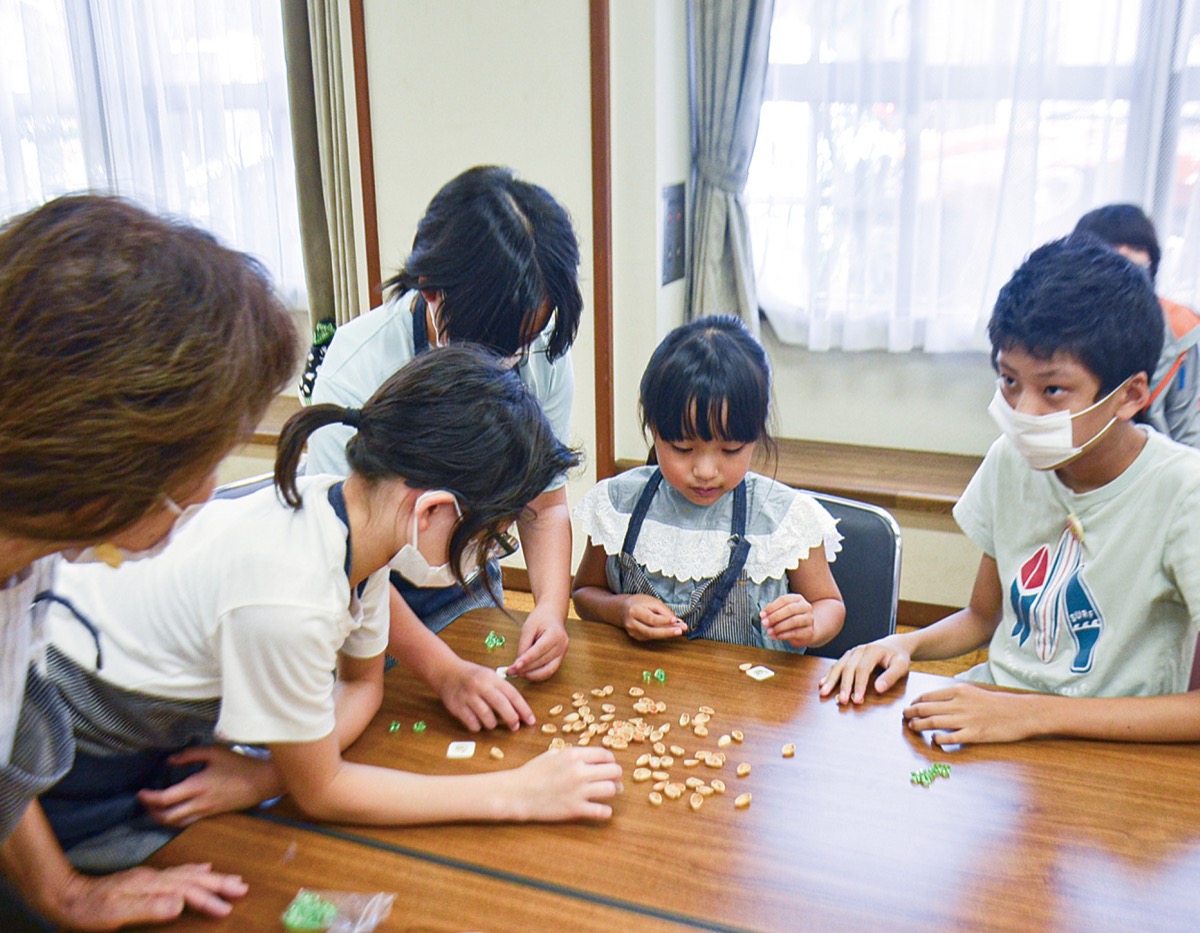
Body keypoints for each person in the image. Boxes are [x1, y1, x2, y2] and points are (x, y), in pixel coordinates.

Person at [35, 346, 622, 876]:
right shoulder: (288, 597)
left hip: (165, 728)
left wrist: (271, 774)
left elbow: (362, 686)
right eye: (496, 533)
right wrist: (517, 794)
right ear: (432, 513)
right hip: (74, 749)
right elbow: (324, 794)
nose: (497, 547)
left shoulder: (353, 518)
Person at [0, 195, 299, 928]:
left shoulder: (30, 550)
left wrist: (63, 891)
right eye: (209, 459)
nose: (210, 490)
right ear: (103, 466)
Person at [819, 236, 1200, 744]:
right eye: (1008, 380)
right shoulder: (1011, 460)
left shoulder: (1183, 493)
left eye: (1053, 390)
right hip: (997, 716)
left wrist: (1029, 714)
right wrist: (902, 645)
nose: (1023, 412)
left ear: (1130, 395)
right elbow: (982, 616)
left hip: (1112, 747)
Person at [308, 166, 583, 682]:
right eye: (497, 346)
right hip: (371, 599)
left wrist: (549, 605)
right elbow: (343, 559)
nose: (516, 360)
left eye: (528, 339)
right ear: (431, 292)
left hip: (470, 583)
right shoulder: (355, 372)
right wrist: (443, 673)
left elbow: (545, 503)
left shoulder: (538, 349)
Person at [572, 316, 845, 651]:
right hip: (644, 688)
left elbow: (830, 604)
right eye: (682, 449)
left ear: (755, 435)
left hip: (753, 697)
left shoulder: (785, 519)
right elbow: (584, 594)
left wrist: (811, 622)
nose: (704, 470)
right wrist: (621, 609)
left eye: (730, 450)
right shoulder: (620, 505)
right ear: (654, 430)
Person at [1072, 203, 1200, 448]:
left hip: (1158, 458)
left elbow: (1189, 426)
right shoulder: (1057, 322)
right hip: (1079, 455)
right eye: (1112, 245)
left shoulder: (1180, 328)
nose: (1126, 255)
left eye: (1138, 247)